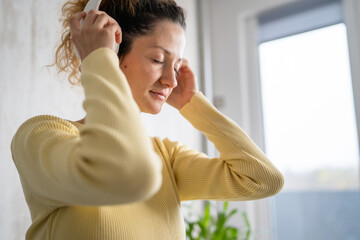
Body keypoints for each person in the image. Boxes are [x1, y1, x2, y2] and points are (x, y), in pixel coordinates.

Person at [11, 0, 284, 239]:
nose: (172, 80)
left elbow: (262, 179)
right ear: (112, 54)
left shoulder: (166, 156)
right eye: (157, 59)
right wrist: (97, 60)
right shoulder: (41, 136)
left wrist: (192, 104)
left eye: (176, 65)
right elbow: (127, 173)